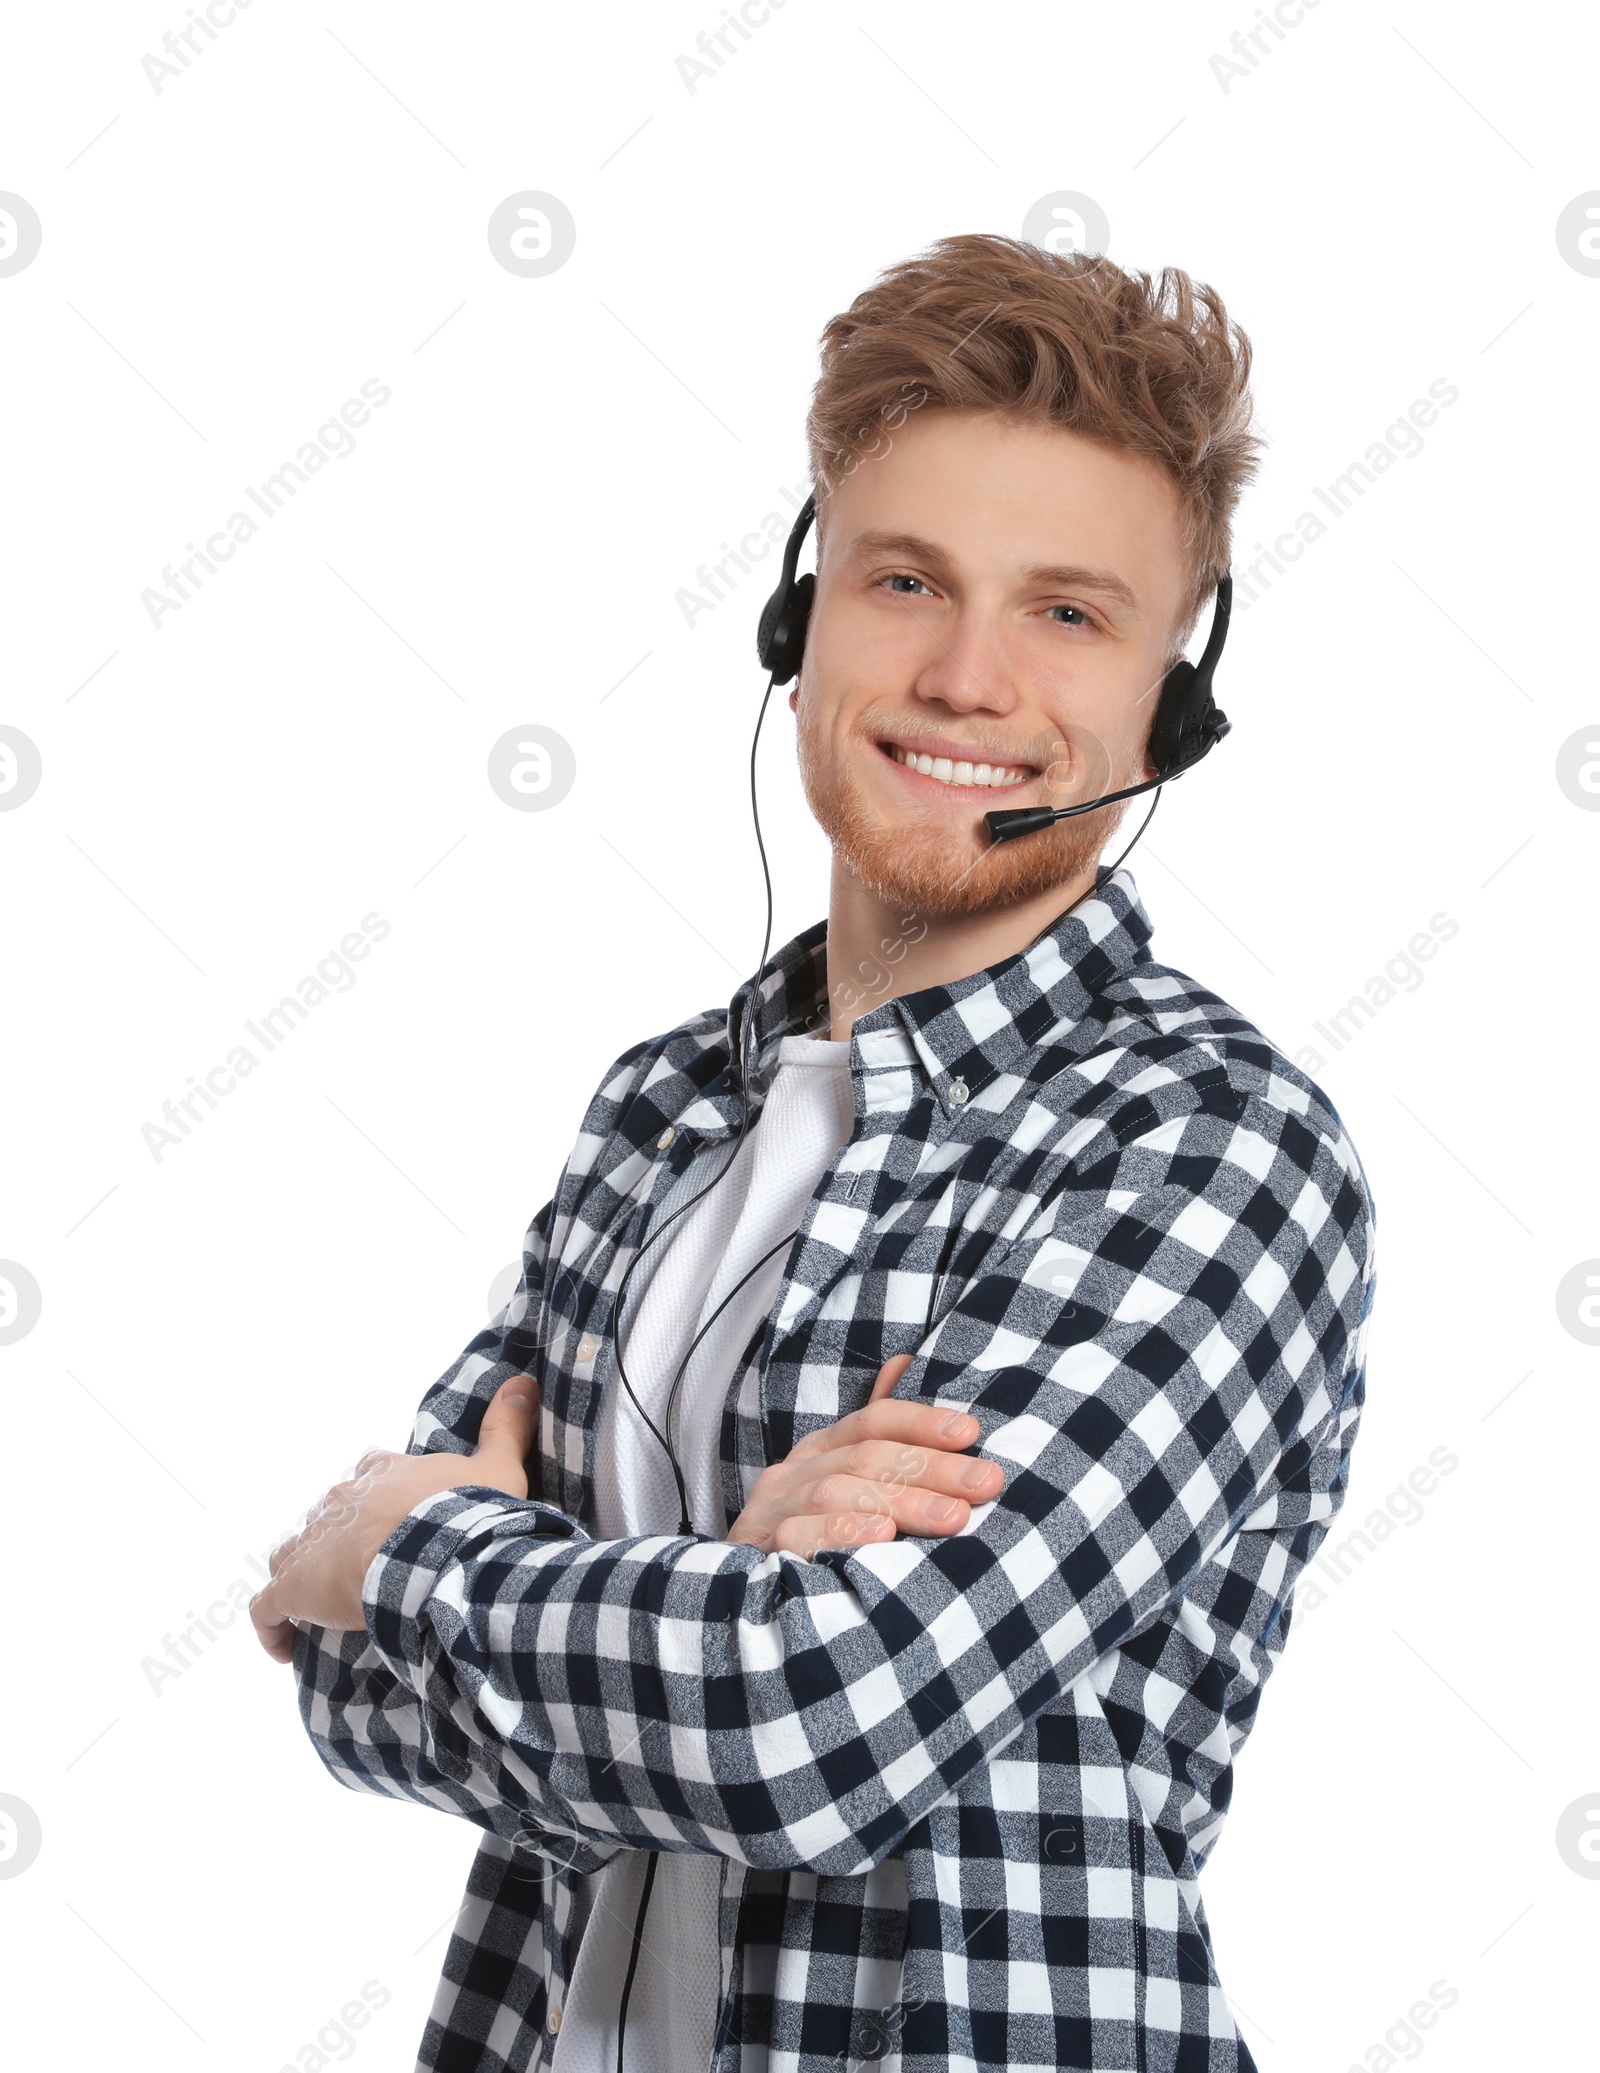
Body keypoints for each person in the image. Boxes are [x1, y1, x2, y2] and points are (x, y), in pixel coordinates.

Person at [253, 234, 1377, 2073]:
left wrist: (413, 1545)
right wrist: (714, 1585)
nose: (965, 675)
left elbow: (817, 1721)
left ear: (1171, 700)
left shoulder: (1206, 1148)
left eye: (1069, 613)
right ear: (800, 618)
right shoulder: (660, 1109)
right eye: (907, 579)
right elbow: (349, 1693)